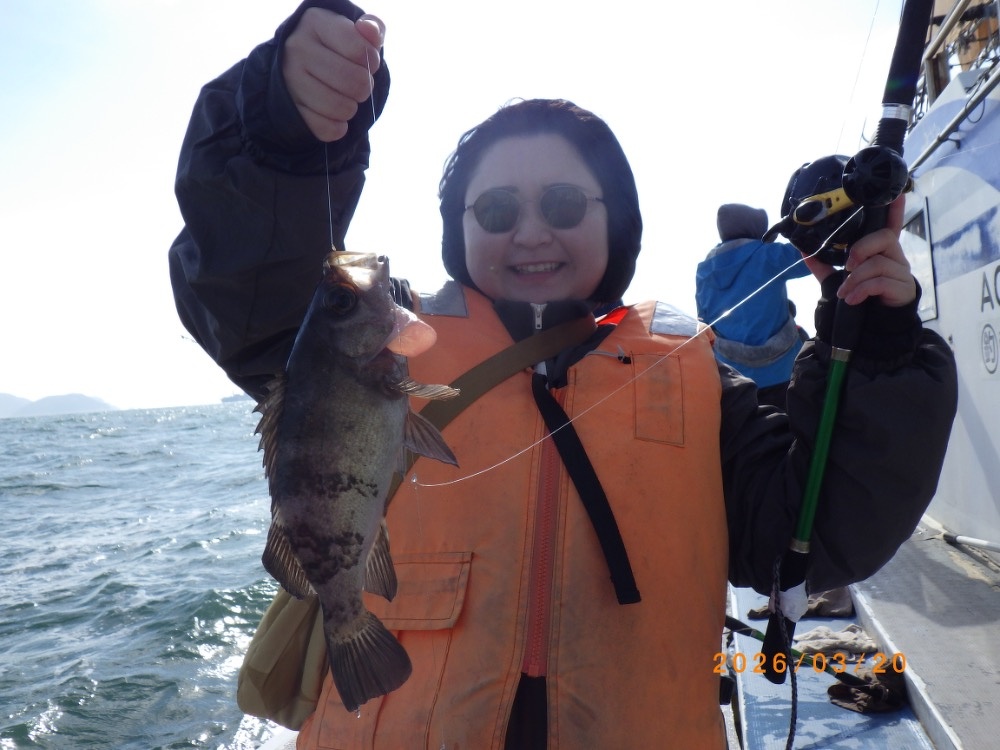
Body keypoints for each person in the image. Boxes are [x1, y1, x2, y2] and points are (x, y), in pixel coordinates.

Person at [167, 3, 958, 748]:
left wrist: (877, 350)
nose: (531, 232)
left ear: (617, 220)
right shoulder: (382, 344)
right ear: (459, 229)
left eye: (566, 205)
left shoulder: (695, 372)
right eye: (497, 211)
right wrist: (278, 130)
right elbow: (249, 284)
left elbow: (813, 533)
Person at [695, 203, 812, 409]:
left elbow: (704, 320)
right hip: (783, 373)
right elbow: (812, 256)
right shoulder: (766, 254)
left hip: (734, 380)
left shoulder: (704, 271)